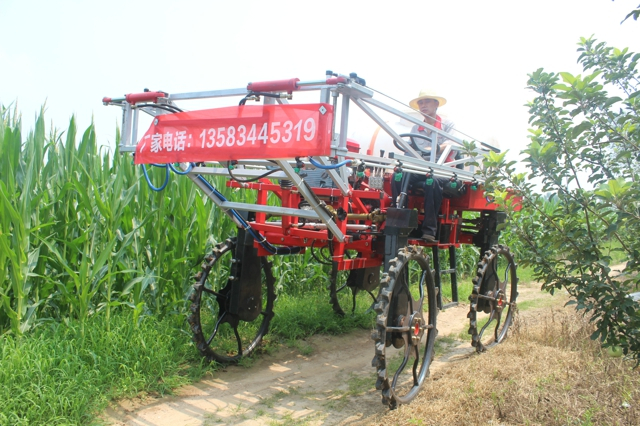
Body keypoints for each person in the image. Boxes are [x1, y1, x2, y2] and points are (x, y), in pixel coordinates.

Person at [392, 89, 455, 242]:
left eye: (426, 101)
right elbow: (412, 149)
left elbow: (450, 145)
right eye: (420, 102)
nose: (423, 105)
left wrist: (433, 149)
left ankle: (429, 231)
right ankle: (401, 222)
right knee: (397, 176)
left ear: (436, 104)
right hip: (421, 168)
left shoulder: (447, 125)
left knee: (431, 182)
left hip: (443, 169)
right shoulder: (416, 129)